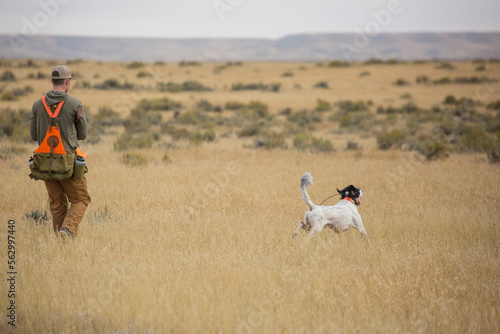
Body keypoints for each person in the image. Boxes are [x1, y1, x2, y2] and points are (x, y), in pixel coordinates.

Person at [30, 65, 91, 239]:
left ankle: (61, 244)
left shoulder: (37, 105)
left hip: (44, 163)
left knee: (57, 204)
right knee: (81, 200)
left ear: (52, 81)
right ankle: (67, 230)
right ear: (67, 82)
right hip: (68, 163)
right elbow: (83, 135)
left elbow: (34, 135)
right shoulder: (74, 104)